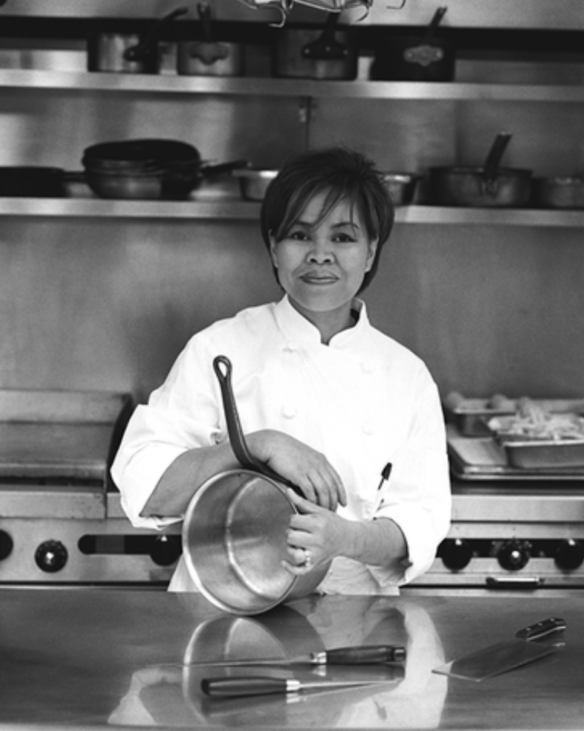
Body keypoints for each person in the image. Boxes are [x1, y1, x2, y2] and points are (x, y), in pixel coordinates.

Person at [111, 146, 451, 595]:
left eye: (343, 238)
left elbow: (420, 521)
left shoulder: (407, 376)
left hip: (355, 629)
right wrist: (256, 446)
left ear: (371, 252)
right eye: (300, 234)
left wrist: (345, 538)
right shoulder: (219, 348)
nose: (320, 254)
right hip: (224, 606)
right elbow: (146, 486)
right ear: (274, 247)